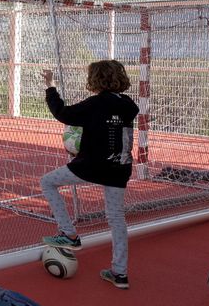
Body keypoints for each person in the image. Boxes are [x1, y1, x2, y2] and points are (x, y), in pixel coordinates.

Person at [40, 60, 139, 290]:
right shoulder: (128, 105)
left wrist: (50, 86)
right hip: (120, 166)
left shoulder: (96, 104)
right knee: (116, 218)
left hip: (92, 166)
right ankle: (120, 273)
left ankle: (69, 233)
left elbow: (62, 113)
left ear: (95, 79)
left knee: (47, 182)